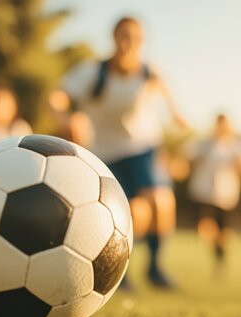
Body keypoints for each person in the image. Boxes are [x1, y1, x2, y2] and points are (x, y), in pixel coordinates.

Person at [56, 17, 189, 289]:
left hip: (143, 147)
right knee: (132, 213)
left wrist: (176, 113)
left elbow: (163, 87)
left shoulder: (149, 70)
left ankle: (154, 267)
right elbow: (58, 96)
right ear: (114, 38)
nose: (129, 43)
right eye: (124, 36)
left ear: (143, 42)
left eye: (136, 38)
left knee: (163, 202)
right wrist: (66, 117)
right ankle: (119, 267)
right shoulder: (93, 71)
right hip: (106, 154)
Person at [186, 114, 241, 274]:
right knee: (205, 225)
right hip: (204, 193)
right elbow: (188, 158)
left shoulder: (235, 146)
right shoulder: (204, 143)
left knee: (224, 234)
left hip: (226, 196)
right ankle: (215, 246)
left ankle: (220, 258)